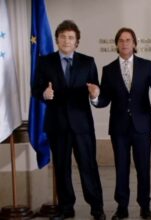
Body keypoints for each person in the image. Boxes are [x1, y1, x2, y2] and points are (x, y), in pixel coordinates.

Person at [88, 27, 151, 220]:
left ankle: (145, 206)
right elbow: (105, 99)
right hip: (119, 128)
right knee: (121, 168)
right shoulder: (108, 70)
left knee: (143, 168)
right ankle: (121, 207)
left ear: (134, 44)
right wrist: (95, 96)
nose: (125, 43)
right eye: (121, 40)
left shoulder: (146, 65)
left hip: (142, 126)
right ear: (117, 44)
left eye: (128, 40)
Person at [32, 20, 105, 220]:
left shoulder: (88, 62)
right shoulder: (45, 62)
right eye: (63, 37)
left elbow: (95, 88)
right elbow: (36, 89)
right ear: (57, 39)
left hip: (82, 125)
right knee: (62, 168)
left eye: (71, 37)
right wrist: (43, 94)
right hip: (57, 125)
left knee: (88, 166)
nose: (66, 40)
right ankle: (66, 208)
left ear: (77, 42)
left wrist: (95, 93)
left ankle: (97, 208)